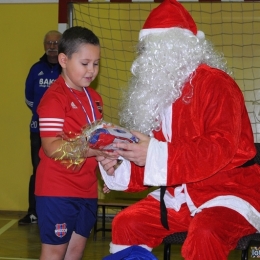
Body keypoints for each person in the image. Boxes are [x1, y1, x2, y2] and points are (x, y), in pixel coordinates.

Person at [97, 0, 260, 259]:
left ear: (174, 49)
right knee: (127, 223)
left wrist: (152, 153)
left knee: (205, 234)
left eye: (150, 50)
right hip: (180, 196)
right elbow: (154, 158)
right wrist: (119, 163)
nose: (144, 58)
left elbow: (219, 147)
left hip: (228, 192)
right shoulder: (161, 92)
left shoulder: (216, 84)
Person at [35, 26, 107, 260]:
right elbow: (52, 147)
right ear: (64, 60)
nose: (91, 70)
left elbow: (97, 142)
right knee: (55, 254)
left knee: (75, 253)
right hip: (57, 189)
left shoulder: (94, 99)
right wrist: (94, 150)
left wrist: (109, 168)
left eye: (96, 63)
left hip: (86, 189)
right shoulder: (55, 97)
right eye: (85, 63)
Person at [19, 30, 62, 225]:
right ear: (44, 45)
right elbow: (29, 98)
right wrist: (41, 116)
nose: (52, 45)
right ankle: (33, 212)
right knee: (38, 170)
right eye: (48, 42)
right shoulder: (36, 69)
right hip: (38, 130)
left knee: (61, 170)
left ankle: (60, 211)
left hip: (63, 132)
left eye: (56, 42)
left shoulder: (68, 69)